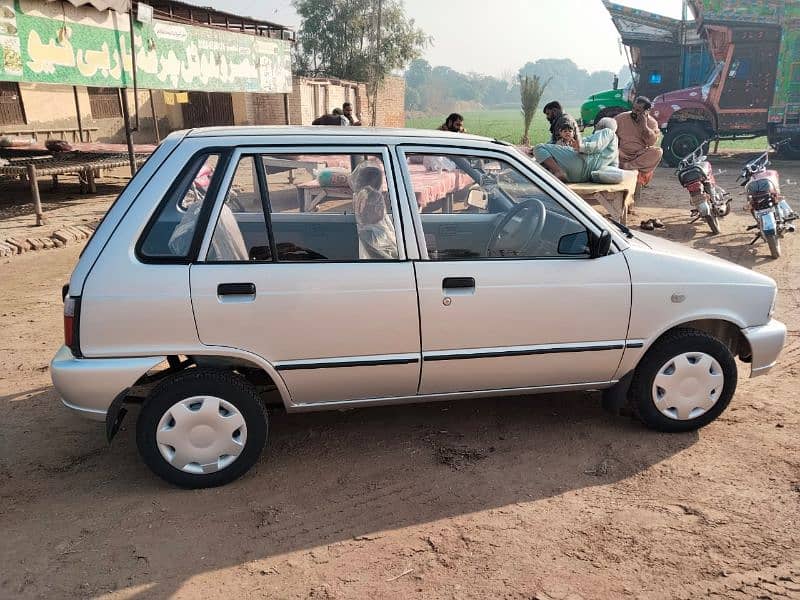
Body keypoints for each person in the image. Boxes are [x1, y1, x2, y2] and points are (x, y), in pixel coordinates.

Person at [533, 117, 619, 183]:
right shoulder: (615, 151)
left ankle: (558, 171)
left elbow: (596, 146)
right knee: (547, 161)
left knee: (539, 148)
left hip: (580, 162)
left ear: (599, 126)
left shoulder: (607, 132)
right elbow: (614, 167)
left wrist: (580, 147)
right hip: (583, 177)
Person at [615, 96, 663, 188]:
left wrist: (644, 126)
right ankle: (625, 166)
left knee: (657, 152)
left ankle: (627, 167)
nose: (634, 112)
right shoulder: (621, 118)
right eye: (633, 108)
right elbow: (610, 131)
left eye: (638, 110)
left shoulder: (652, 123)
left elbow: (651, 143)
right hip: (620, 153)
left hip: (638, 156)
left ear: (646, 111)